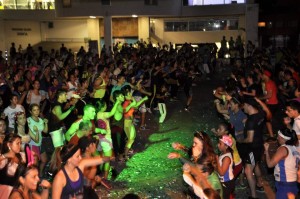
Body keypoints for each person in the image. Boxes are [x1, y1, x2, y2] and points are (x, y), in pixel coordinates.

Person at [264, 128, 300, 199]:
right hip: (294, 182)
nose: (277, 138)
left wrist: (266, 151)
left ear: (282, 138)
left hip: (284, 184)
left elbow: (270, 164)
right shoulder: (294, 148)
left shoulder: (283, 149)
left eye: (278, 137)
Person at [240, 97, 265, 199]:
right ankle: (260, 184)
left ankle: (253, 196)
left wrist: (241, 140)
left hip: (252, 148)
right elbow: (267, 113)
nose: (243, 108)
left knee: (248, 170)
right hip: (260, 145)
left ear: (249, 105)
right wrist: (260, 101)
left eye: (244, 105)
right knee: (256, 164)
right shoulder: (261, 114)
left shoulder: (251, 121)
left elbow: (249, 139)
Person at [121, 87, 148, 160]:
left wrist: (143, 99)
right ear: (125, 97)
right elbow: (124, 111)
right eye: (129, 94)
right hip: (127, 123)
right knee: (131, 139)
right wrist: (134, 102)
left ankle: (127, 152)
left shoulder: (129, 102)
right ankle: (125, 155)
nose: (131, 94)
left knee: (131, 138)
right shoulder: (126, 103)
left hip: (129, 123)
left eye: (130, 93)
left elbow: (135, 106)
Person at [0, 134, 26, 198]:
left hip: (18, 190)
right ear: (9, 144)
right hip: (5, 192)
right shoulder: (4, 159)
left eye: (21, 143)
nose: (20, 145)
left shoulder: (21, 156)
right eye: (17, 143)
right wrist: (4, 156)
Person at [27, 103, 48, 175]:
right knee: (34, 164)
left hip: (40, 142)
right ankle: (33, 176)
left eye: (38, 110)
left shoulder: (40, 120)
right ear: (30, 112)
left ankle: (40, 174)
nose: (36, 112)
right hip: (32, 144)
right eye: (34, 110)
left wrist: (46, 123)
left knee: (44, 160)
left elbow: (45, 131)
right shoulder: (28, 120)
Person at [215, 135, 234, 199]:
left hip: (227, 182)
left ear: (226, 146)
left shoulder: (226, 158)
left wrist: (217, 160)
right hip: (223, 181)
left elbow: (222, 173)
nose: (218, 145)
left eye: (220, 144)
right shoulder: (222, 153)